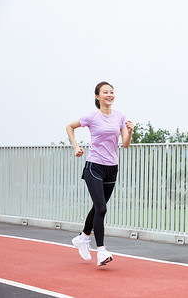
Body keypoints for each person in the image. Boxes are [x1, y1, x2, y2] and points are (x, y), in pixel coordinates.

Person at [66, 81, 134, 266]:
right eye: (105, 92)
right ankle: (101, 251)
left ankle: (83, 238)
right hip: (94, 166)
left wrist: (129, 131)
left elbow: (125, 144)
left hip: (112, 168)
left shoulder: (120, 116)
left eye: (112, 92)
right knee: (102, 208)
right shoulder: (92, 117)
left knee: (98, 207)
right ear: (97, 96)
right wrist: (75, 147)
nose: (109, 95)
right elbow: (69, 127)